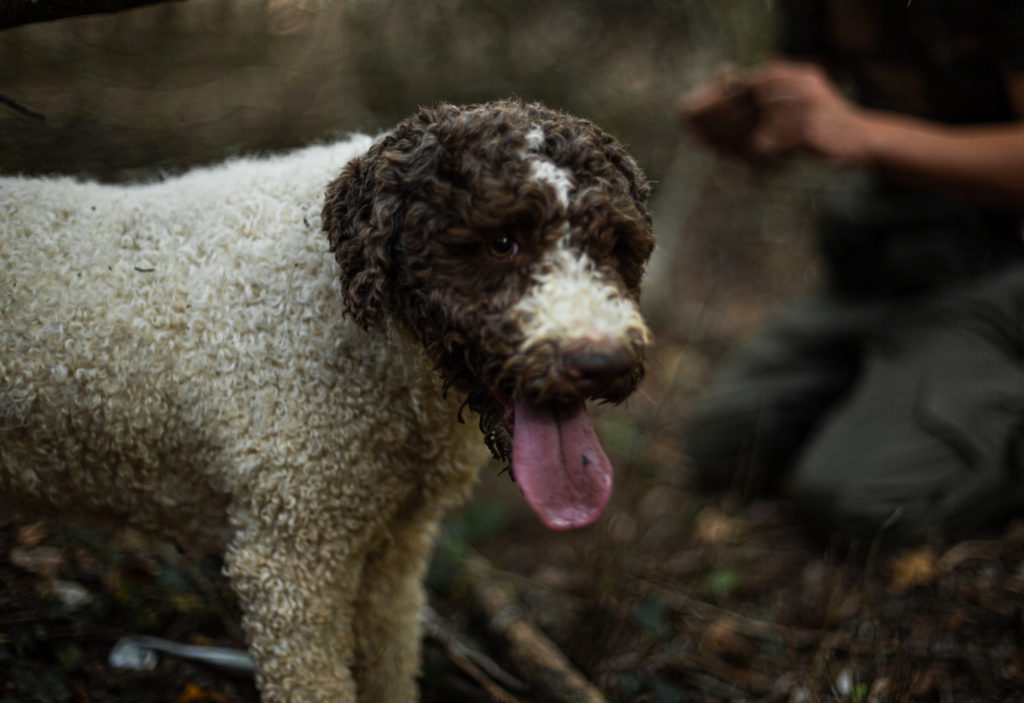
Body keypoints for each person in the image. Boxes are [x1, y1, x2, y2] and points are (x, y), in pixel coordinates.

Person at [678, 0, 1024, 544]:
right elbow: (795, 108)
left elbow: (847, 130)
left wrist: (862, 133)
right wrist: (743, 122)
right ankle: (902, 395)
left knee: (867, 505)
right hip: (892, 254)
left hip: (1004, 270)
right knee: (722, 445)